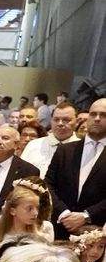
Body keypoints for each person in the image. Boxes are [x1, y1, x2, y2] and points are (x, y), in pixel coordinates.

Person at [45, 97, 106, 240]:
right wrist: (64, 213)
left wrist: (86, 216)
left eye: (103, 115)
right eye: (93, 114)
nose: (97, 119)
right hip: (59, 227)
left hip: (96, 232)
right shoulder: (65, 150)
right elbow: (48, 184)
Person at [0, 179, 54, 245]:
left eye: (37, 208)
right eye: (29, 208)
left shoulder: (41, 239)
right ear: (13, 211)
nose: (35, 213)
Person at [20, 102, 76, 172]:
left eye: (66, 120)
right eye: (56, 119)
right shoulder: (33, 145)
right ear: (51, 121)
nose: (60, 123)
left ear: (76, 121)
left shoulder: (82, 147)